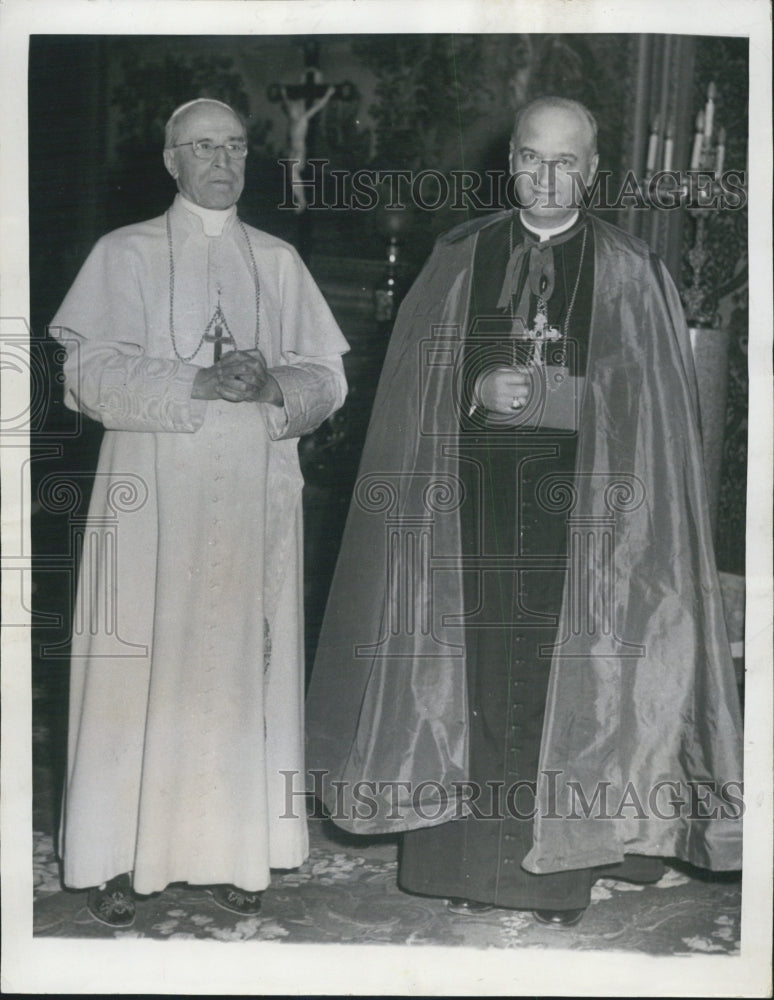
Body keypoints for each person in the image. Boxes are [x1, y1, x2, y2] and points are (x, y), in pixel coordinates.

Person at [305, 96, 743, 926]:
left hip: (583, 525)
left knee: (560, 690)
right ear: (509, 160)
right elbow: (408, 390)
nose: (547, 177)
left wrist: (554, 394)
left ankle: (551, 882)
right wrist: (472, 387)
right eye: (531, 158)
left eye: (566, 161)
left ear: (593, 170)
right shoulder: (460, 255)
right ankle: (454, 866)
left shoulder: (630, 268)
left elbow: (652, 418)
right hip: (467, 511)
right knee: (458, 683)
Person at [49, 97, 349, 927]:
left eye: (236, 147)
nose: (222, 160)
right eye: (203, 147)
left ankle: (231, 853)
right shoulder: (125, 254)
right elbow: (85, 376)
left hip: (254, 502)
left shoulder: (280, 262)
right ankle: (118, 857)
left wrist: (278, 385)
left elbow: (330, 378)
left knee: (232, 675)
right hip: (149, 501)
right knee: (136, 676)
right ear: (170, 161)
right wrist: (196, 380)